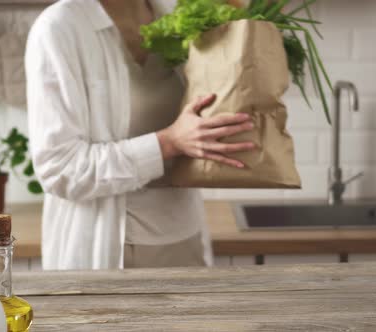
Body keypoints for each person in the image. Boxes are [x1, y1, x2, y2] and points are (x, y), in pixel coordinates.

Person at [25, 0, 256, 270]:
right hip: (109, 251)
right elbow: (59, 168)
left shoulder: (176, 15)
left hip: (185, 240)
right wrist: (168, 143)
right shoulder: (59, 29)